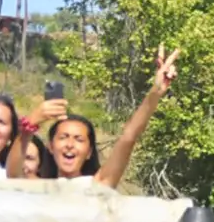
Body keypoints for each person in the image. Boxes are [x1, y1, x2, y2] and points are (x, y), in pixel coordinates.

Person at [21, 46, 181, 187]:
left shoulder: (97, 186)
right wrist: (29, 124)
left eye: (79, 139)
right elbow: (13, 169)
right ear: (50, 146)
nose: (70, 144)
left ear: (89, 152)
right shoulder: (36, 189)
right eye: (63, 137)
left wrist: (155, 92)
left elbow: (129, 136)